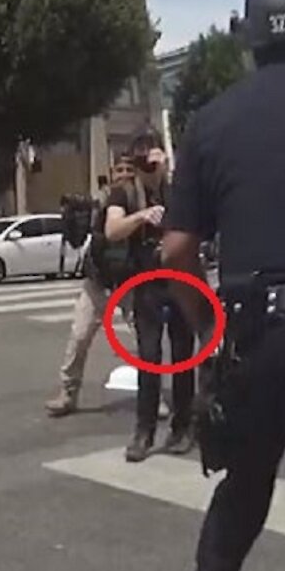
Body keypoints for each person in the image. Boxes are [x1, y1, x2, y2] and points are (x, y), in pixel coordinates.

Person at [162, 0, 285, 571]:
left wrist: (209, 327)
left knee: (244, 489)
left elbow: (177, 248)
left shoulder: (212, 121)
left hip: (256, 335)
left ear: (251, 40)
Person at [104, 135, 195, 461]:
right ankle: (144, 432)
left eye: (154, 163)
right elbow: (112, 229)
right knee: (149, 357)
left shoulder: (178, 189)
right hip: (146, 284)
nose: (150, 171)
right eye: (143, 164)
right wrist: (141, 216)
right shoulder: (125, 192)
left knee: (184, 356)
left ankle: (183, 426)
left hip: (180, 278)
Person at [44, 158, 136, 416]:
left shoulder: (141, 201)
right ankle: (68, 392)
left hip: (131, 282)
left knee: (144, 341)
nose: (125, 175)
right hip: (98, 280)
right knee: (80, 336)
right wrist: (74, 217)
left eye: (130, 171)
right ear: (111, 174)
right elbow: (76, 239)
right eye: (120, 170)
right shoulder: (101, 204)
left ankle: (151, 395)